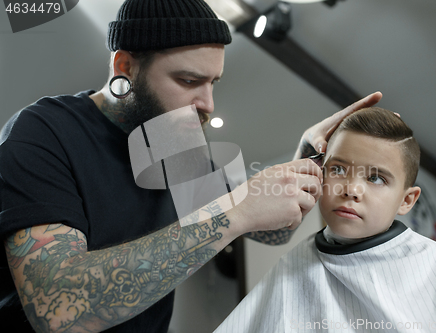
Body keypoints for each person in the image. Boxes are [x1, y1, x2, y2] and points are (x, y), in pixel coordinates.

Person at [0, 0, 383, 331]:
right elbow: (56, 310)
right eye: (188, 80)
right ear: (125, 67)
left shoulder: (175, 149)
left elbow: (273, 228)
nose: (208, 103)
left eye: (213, 82)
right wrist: (235, 212)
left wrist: (302, 159)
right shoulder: (44, 130)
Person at [214, 107, 436, 333]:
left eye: (376, 178)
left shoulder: (431, 264)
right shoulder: (293, 266)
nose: (351, 189)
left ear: (406, 200)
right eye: (338, 169)